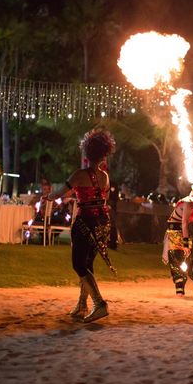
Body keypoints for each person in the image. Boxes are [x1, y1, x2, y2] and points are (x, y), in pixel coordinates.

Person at [43, 128, 116, 323]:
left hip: (85, 221)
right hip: (102, 223)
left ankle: (100, 304)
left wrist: (48, 196)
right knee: (87, 263)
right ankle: (82, 305)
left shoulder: (79, 174)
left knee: (78, 264)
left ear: (87, 152)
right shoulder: (105, 177)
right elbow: (105, 198)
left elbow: (60, 193)